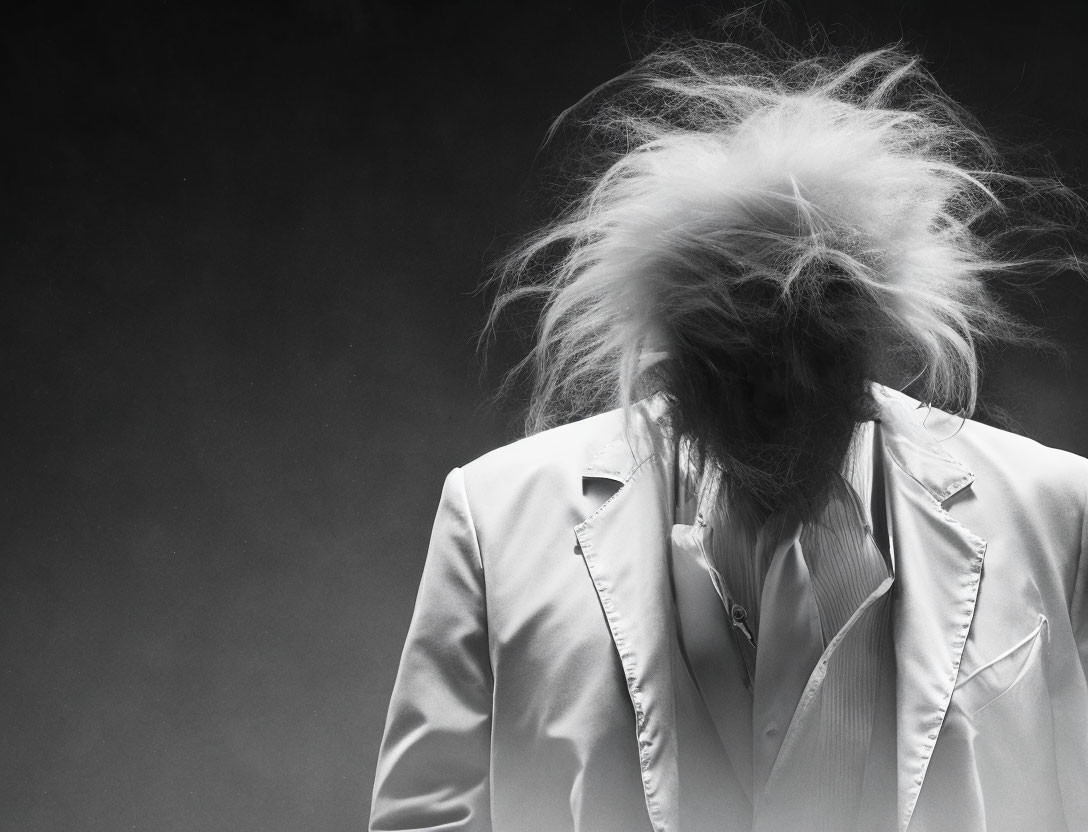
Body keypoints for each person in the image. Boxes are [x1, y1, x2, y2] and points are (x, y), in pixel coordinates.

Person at [369, 37, 1088, 832]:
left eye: (801, 345)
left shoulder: (1056, 510)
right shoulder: (496, 516)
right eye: (739, 357)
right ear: (679, 355)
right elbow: (427, 816)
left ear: (861, 341)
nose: (775, 389)